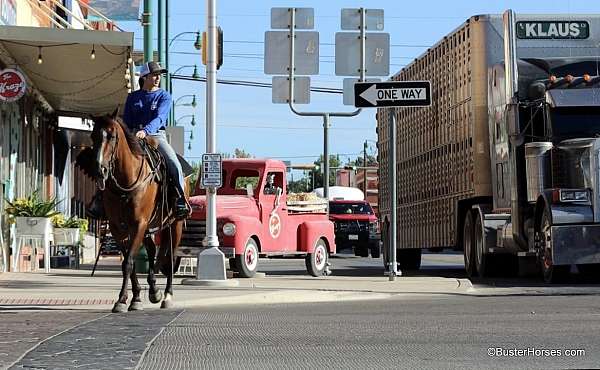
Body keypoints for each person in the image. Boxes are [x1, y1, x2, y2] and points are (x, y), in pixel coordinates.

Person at [87, 61, 190, 220]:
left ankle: (180, 200)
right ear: (144, 77)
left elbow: (161, 118)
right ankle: (99, 198)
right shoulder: (133, 97)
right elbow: (127, 120)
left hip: (156, 136)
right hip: (133, 136)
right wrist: (128, 133)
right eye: (154, 75)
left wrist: (145, 131)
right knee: (110, 160)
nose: (157, 78)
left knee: (173, 161)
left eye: (159, 75)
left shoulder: (164, 96)